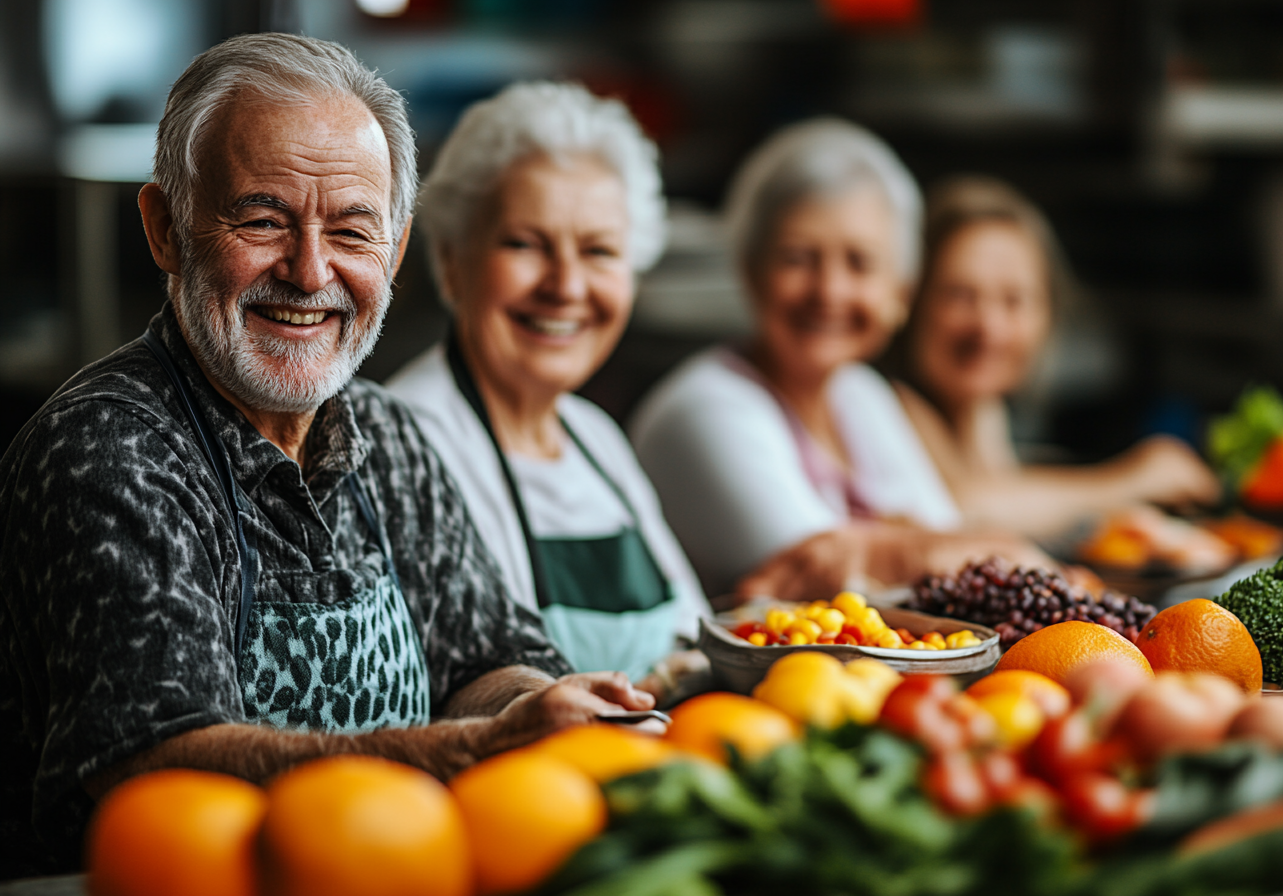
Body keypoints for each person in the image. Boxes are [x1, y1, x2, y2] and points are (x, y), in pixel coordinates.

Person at [0, 34, 655, 879]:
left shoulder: (391, 440)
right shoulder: (109, 449)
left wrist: (546, 708)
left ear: (397, 248)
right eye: (263, 219)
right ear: (165, 229)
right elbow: (156, 758)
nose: (311, 273)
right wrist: (471, 748)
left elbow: (484, 658)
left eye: (351, 230)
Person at [630, 119, 1049, 603]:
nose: (829, 291)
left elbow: (946, 540)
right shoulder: (703, 410)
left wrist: (923, 545)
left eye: (859, 262)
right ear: (750, 270)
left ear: (900, 291)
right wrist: (934, 546)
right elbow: (824, 573)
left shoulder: (860, 392)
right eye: (798, 258)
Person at [386, 82, 709, 691]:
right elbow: (471, 686)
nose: (566, 286)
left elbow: (695, 639)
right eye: (525, 244)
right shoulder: (406, 442)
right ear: (453, 261)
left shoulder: (594, 436)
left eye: (599, 251)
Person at [890, 176, 1220, 537]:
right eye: (960, 295)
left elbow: (1008, 501)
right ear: (911, 300)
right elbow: (962, 509)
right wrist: (1130, 479)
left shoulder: (981, 410)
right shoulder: (884, 403)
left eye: (1014, 299)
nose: (990, 327)